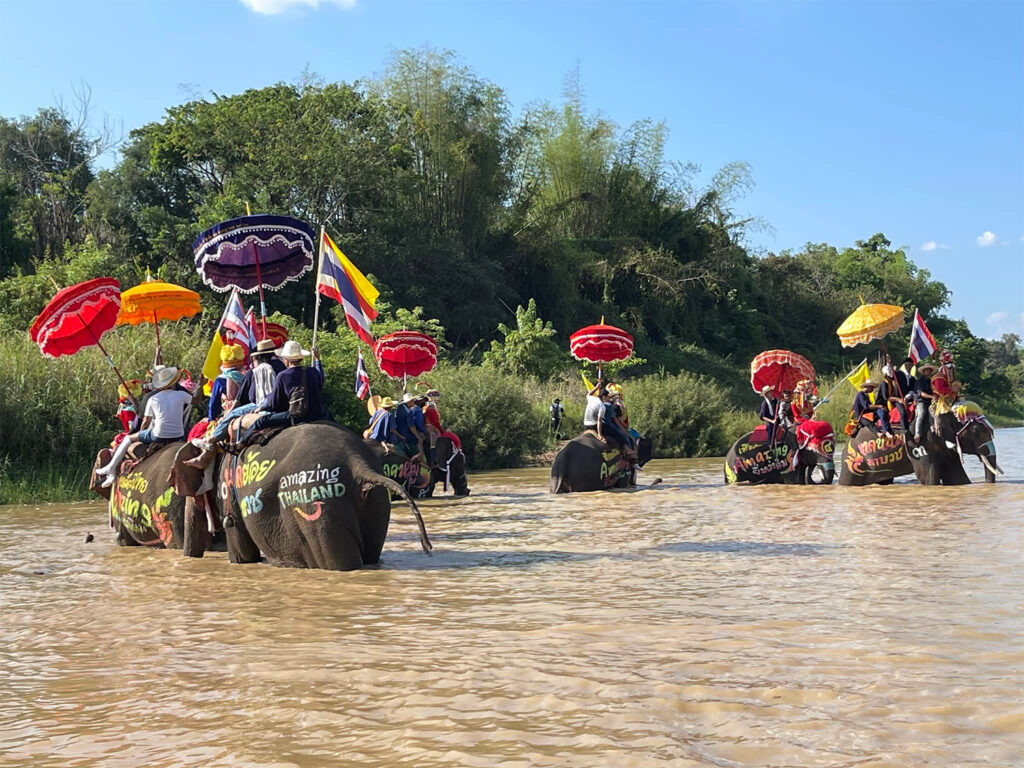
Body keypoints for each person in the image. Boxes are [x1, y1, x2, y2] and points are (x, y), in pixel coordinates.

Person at [97, 366, 195, 486]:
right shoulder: (182, 394)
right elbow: (195, 400)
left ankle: (111, 468)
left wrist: (142, 437)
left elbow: (145, 422)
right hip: (179, 434)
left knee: (128, 438)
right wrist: (200, 384)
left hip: (158, 435)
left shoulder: (152, 398)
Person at [250, 340, 326, 432]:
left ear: (286, 359)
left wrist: (262, 406)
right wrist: (318, 360)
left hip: (297, 416)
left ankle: (240, 444)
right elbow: (321, 382)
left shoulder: (283, 375)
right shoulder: (312, 371)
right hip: (318, 414)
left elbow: (274, 403)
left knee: (261, 421)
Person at [235, 339, 286, 408]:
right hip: (283, 404)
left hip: (259, 405)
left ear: (258, 357)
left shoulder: (253, 372)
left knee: (232, 414)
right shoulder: (283, 366)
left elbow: (240, 398)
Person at [914, 362, 937, 440]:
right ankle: (917, 434)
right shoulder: (919, 381)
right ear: (923, 371)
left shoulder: (931, 381)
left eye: (930, 370)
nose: (929, 372)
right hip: (921, 401)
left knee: (934, 413)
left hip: (930, 402)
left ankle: (934, 428)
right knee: (921, 414)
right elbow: (921, 393)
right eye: (927, 370)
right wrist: (932, 396)